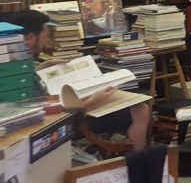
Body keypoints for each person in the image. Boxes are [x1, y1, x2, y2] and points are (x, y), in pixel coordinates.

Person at [0, 10, 151, 151]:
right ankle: (138, 160)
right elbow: (48, 115)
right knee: (140, 109)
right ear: (31, 37)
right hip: (69, 120)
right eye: (45, 36)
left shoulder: (13, 64)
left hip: (64, 106)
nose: (45, 43)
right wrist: (93, 101)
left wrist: (45, 66)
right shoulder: (20, 77)